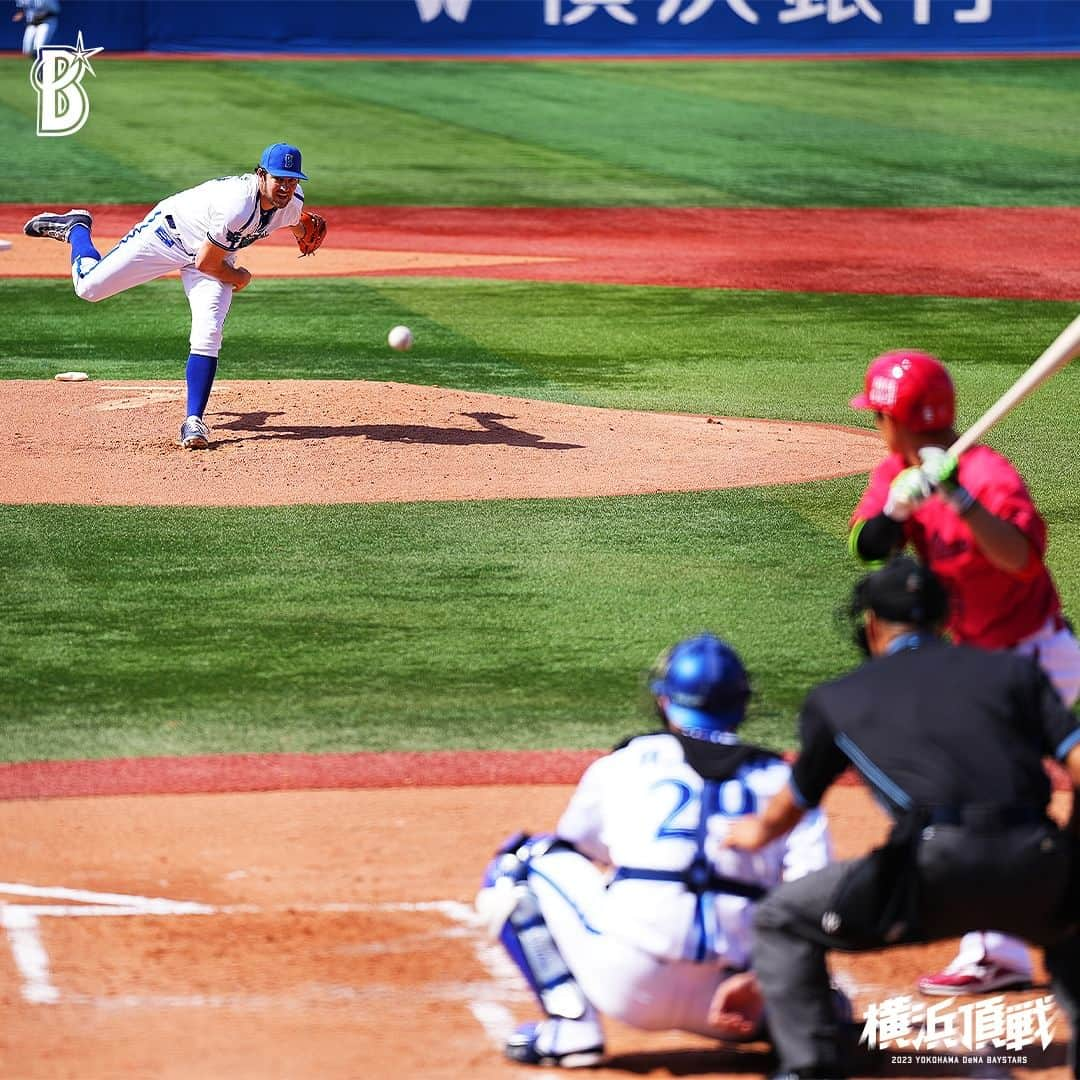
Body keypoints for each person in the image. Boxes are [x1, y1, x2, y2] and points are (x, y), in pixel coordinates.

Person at [725, 556, 1080, 1079]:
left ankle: (810, 1067)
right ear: (944, 620)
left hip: (928, 877)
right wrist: (1068, 851)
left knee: (782, 921)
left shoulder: (837, 697)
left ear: (871, 626)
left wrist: (753, 831)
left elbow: (790, 808)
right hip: (1036, 863)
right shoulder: (1013, 671)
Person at [475, 633, 837, 1068]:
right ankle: (798, 1026)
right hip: (737, 1002)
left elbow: (580, 846)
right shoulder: (784, 782)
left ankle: (570, 1027)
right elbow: (817, 899)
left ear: (665, 701)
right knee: (831, 1003)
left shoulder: (628, 761)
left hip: (629, 985)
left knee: (520, 864)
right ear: (742, 705)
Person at [848, 348, 1080, 995]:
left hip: (1031, 656)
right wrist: (893, 514)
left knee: (983, 789)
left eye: (878, 416)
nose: (874, 427)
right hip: (978, 658)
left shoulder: (989, 475)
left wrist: (959, 497)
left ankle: (997, 950)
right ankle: (1032, 910)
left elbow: (1020, 561)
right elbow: (864, 549)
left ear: (901, 417)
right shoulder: (895, 470)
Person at [23, 143, 327, 450]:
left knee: (209, 331)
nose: (286, 186)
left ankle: (194, 420)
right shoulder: (237, 205)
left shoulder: (291, 202)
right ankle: (76, 227)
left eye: (293, 179)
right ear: (261, 175)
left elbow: (295, 220)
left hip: (213, 254)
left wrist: (302, 231)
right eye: (280, 179)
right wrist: (240, 277)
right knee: (88, 288)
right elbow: (206, 263)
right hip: (167, 238)